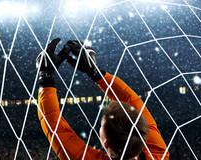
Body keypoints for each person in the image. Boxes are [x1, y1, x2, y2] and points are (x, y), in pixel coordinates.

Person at [36, 38, 169, 160]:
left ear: (107, 146)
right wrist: (95, 72)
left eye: (102, 124)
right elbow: (54, 127)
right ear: (144, 133)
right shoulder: (158, 154)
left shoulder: (160, 154)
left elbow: (55, 127)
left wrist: (46, 76)